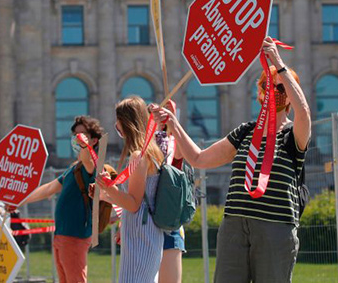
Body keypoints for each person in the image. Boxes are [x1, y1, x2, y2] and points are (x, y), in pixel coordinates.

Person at [152, 37, 312, 283]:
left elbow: (304, 112)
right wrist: (174, 123)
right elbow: (198, 158)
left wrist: (278, 62)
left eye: (281, 89)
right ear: (259, 93)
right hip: (234, 227)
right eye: (268, 86)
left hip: (275, 227)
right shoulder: (246, 131)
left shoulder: (294, 134)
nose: (274, 92)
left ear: (290, 97)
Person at [15, 116, 103, 283]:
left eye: (83, 134)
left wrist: (84, 145)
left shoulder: (91, 166)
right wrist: (19, 201)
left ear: (94, 140)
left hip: (75, 236)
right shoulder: (73, 169)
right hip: (62, 235)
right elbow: (49, 188)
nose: (77, 138)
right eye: (75, 135)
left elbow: (88, 159)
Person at [98, 97, 165, 283]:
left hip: (140, 234)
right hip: (148, 232)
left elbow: (134, 204)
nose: (115, 124)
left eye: (117, 119)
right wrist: (106, 193)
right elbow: (141, 199)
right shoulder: (152, 151)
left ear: (126, 122)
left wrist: (108, 188)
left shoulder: (138, 155)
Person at [153, 103, 185, 283]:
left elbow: (181, 153)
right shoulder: (148, 143)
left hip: (169, 220)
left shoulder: (175, 143)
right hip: (147, 222)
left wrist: (173, 125)